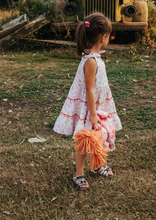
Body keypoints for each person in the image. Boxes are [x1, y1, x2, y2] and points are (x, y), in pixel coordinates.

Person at [53, 13, 122, 190]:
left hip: (99, 105)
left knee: (100, 136)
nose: (109, 40)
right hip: (90, 108)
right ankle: (79, 173)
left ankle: (98, 164)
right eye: (109, 36)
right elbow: (89, 89)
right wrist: (92, 114)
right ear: (102, 37)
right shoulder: (90, 61)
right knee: (85, 140)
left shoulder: (96, 58)